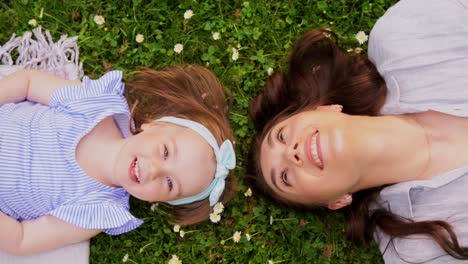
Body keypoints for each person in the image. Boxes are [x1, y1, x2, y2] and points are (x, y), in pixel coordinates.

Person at [247, 0, 468, 263]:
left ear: (324, 109)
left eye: (281, 136)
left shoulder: (405, 37)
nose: (291, 153)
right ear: (336, 201)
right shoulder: (419, 252)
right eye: (284, 177)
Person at [0, 64, 236, 255]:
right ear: (155, 125)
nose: (153, 170)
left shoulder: (99, 211)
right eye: (165, 151)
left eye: (170, 184)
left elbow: (21, 239)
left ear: (165, 201)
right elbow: (28, 83)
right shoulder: (97, 104)